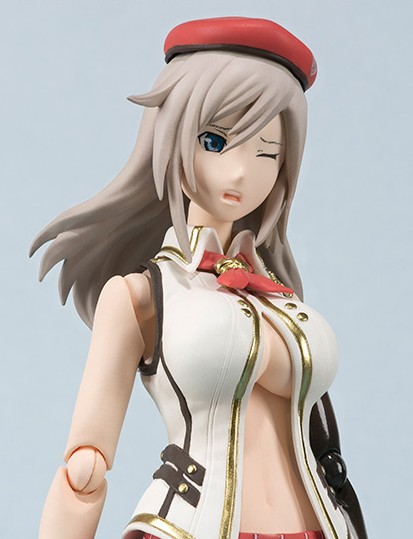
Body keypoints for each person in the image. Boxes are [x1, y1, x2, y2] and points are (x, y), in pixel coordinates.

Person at [31, 17, 368, 539]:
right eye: (215, 141)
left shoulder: (278, 296)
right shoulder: (144, 295)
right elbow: (86, 460)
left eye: (267, 152)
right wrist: (81, 484)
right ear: (169, 137)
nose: (241, 172)